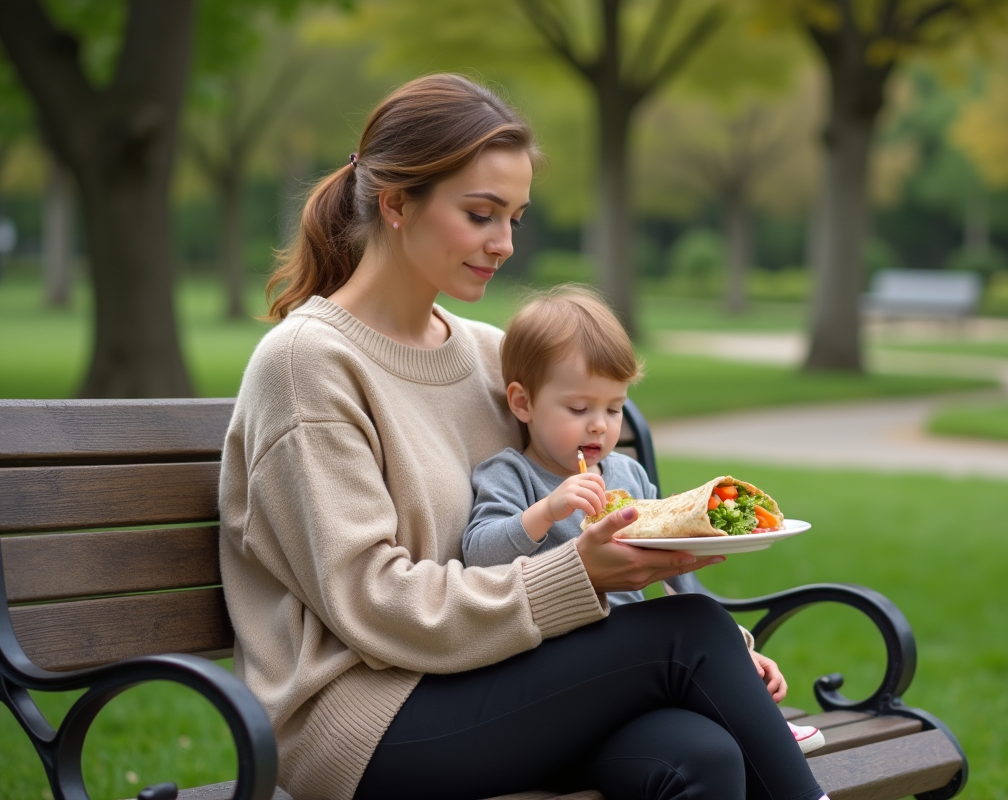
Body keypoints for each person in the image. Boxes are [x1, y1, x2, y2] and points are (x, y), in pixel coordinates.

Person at [219, 73, 830, 800]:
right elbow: (374, 604)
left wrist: (728, 648)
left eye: (514, 217)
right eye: (481, 214)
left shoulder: (491, 355)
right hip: (363, 719)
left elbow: (575, 505)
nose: (504, 243)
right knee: (690, 634)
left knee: (700, 756)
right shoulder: (309, 365)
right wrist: (582, 577)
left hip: (499, 676)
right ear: (396, 204)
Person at [460, 286, 826, 752]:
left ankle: (751, 718)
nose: (599, 424)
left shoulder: (627, 475)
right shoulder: (510, 474)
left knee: (696, 676)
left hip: (640, 653)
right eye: (579, 408)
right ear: (523, 403)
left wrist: (735, 649)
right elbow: (479, 555)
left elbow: (676, 573)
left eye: (614, 408)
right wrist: (548, 510)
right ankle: (758, 731)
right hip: (557, 661)